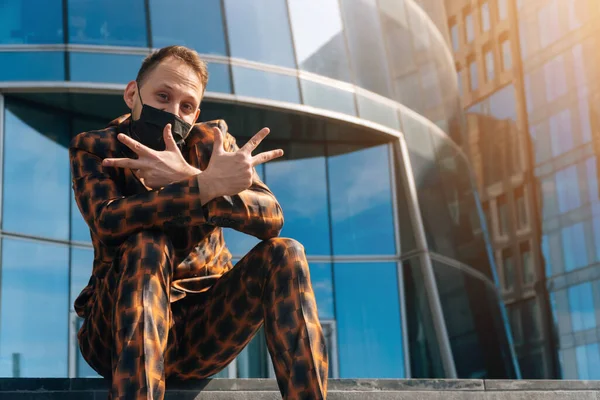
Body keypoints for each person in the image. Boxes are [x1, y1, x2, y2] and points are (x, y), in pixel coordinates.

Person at [70, 45, 328, 400]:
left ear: (196, 113)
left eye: (186, 106)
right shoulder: (96, 147)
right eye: (162, 96)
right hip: (117, 331)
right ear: (133, 94)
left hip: (202, 331)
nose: (172, 113)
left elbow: (271, 218)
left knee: (286, 253)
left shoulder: (213, 145)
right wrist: (201, 187)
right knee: (148, 244)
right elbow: (107, 220)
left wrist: (195, 177)